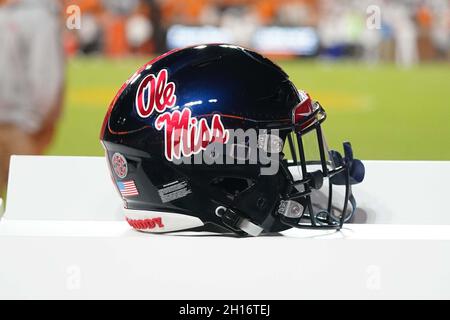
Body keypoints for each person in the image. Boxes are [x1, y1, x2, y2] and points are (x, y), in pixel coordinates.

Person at [0, 0, 65, 197]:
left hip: (11, 119)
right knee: (25, 203)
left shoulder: (4, 15)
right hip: (21, 127)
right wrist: (35, 122)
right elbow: (44, 79)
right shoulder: (42, 19)